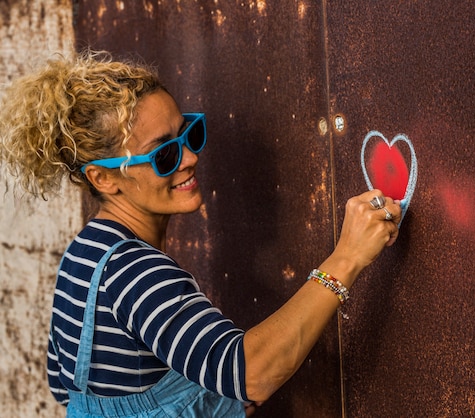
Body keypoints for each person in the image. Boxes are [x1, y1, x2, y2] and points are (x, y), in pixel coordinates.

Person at [0, 51, 401, 417]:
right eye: (164, 154)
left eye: (188, 134)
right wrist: (346, 257)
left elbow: (65, 385)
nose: (190, 158)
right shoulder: (135, 272)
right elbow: (252, 374)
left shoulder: (83, 256)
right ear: (104, 178)